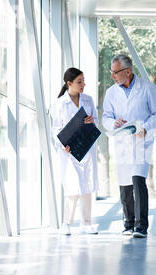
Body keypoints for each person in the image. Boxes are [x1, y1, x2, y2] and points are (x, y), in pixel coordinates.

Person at [102, 54, 156, 238]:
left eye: (115, 73)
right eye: (111, 72)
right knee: (124, 183)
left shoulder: (147, 88)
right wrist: (113, 123)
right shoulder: (111, 93)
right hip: (122, 140)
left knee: (138, 179)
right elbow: (106, 116)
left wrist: (145, 128)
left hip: (141, 141)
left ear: (127, 71)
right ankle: (128, 223)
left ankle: (141, 226)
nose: (112, 76)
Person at [52, 67, 99, 235]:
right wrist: (62, 144)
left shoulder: (88, 100)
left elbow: (96, 122)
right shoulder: (60, 104)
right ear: (69, 83)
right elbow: (56, 128)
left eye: (83, 81)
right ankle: (67, 223)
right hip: (69, 151)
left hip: (86, 146)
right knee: (72, 187)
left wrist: (92, 121)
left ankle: (86, 223)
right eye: (79, 82)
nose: (83, 85)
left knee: (86, 186)